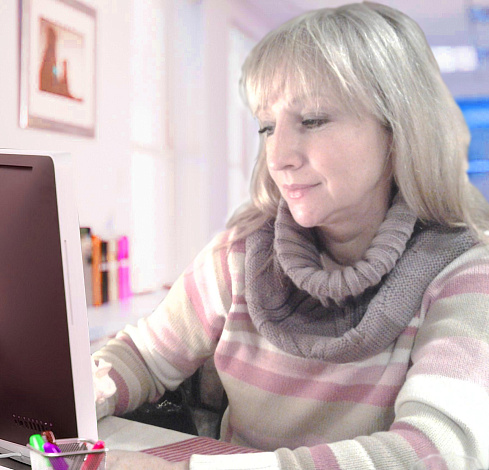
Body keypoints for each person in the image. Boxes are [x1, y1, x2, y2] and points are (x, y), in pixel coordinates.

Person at [93, 2, 489, 469]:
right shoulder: (239, 257)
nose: (278, 156)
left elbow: (437, 452)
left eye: (313, 119)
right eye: (267, 126)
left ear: (398, 128)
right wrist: (79, 396)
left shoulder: (465, 276)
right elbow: (140, 356)